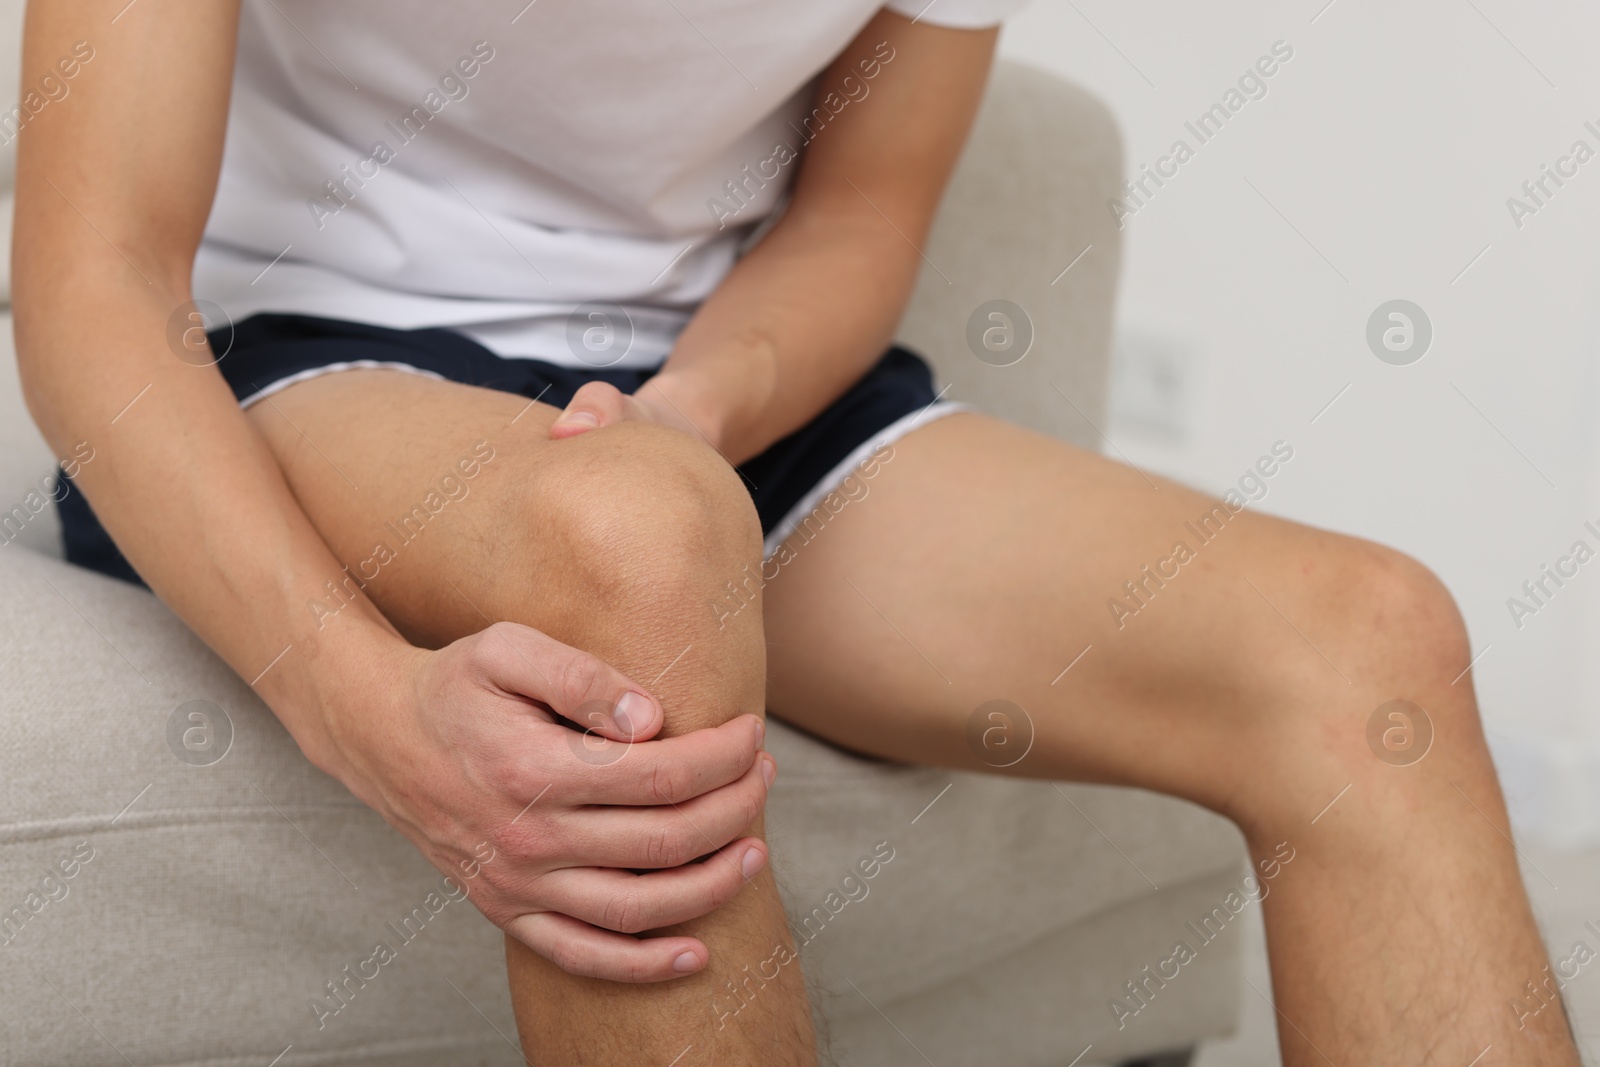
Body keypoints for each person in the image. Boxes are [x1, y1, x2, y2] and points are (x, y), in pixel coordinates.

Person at [13, 0, 1578, 1063]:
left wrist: (692, 415)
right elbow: (97, 277)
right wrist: (352, 699)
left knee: (1368, 648)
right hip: (286, 356)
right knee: (633, 538)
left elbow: (856, 217)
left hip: (704, 386)